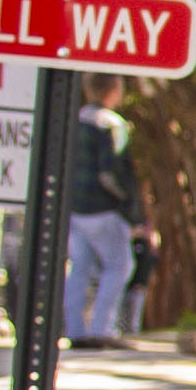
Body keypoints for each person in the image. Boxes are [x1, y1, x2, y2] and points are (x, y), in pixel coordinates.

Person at [61, 100, 137, 345]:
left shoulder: (74, 118)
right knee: (120, 266)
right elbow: (109, 172)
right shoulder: (110, 124)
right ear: (115, 91)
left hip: (74, 208)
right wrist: (128, 200)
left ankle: (74, 330)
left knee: (78, 268)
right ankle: (101, 329)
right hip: (102, 209)